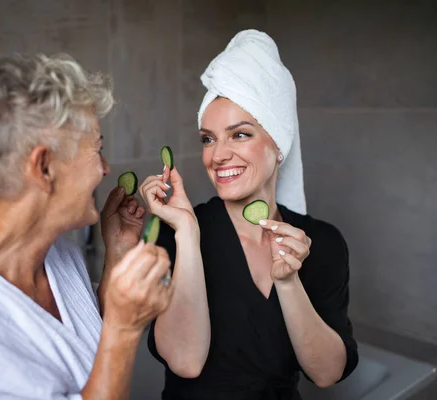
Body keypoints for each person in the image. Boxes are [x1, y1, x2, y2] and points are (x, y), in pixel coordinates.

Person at [0, 52, 174, 399]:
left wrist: (116, 256)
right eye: (96, 150)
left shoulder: (56, 253)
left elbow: (79, 350)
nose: (105, 168)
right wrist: (125, 330)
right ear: (43, 167)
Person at [138, 30, 359, 399]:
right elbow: (186, 361)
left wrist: (288, 282)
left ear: (278, 144)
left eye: (239, 135)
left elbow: (326, 373)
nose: (217, 155)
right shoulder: (175, 232)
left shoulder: (322, 242)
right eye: (208, 139)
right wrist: (188, 237)